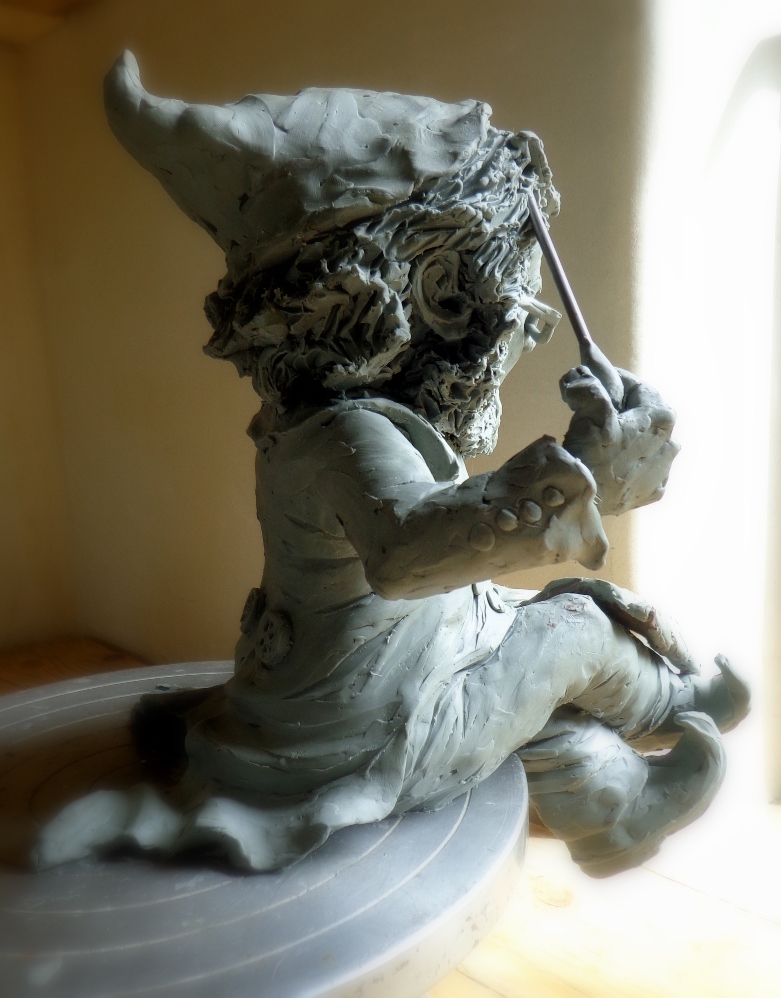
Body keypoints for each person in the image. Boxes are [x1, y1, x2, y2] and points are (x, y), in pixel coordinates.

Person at [35, 53, 749, 876]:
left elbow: (431, 545)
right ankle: (666, 715)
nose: (526, 322)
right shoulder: (347, 436)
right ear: (431, 292)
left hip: (369, 678)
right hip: (360, 730)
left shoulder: (330, 420)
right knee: (568, 634)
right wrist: (584, 472)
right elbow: (407, 554)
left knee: (525, 658)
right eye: (507, 288)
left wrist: (585, 473)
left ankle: (614, 803)